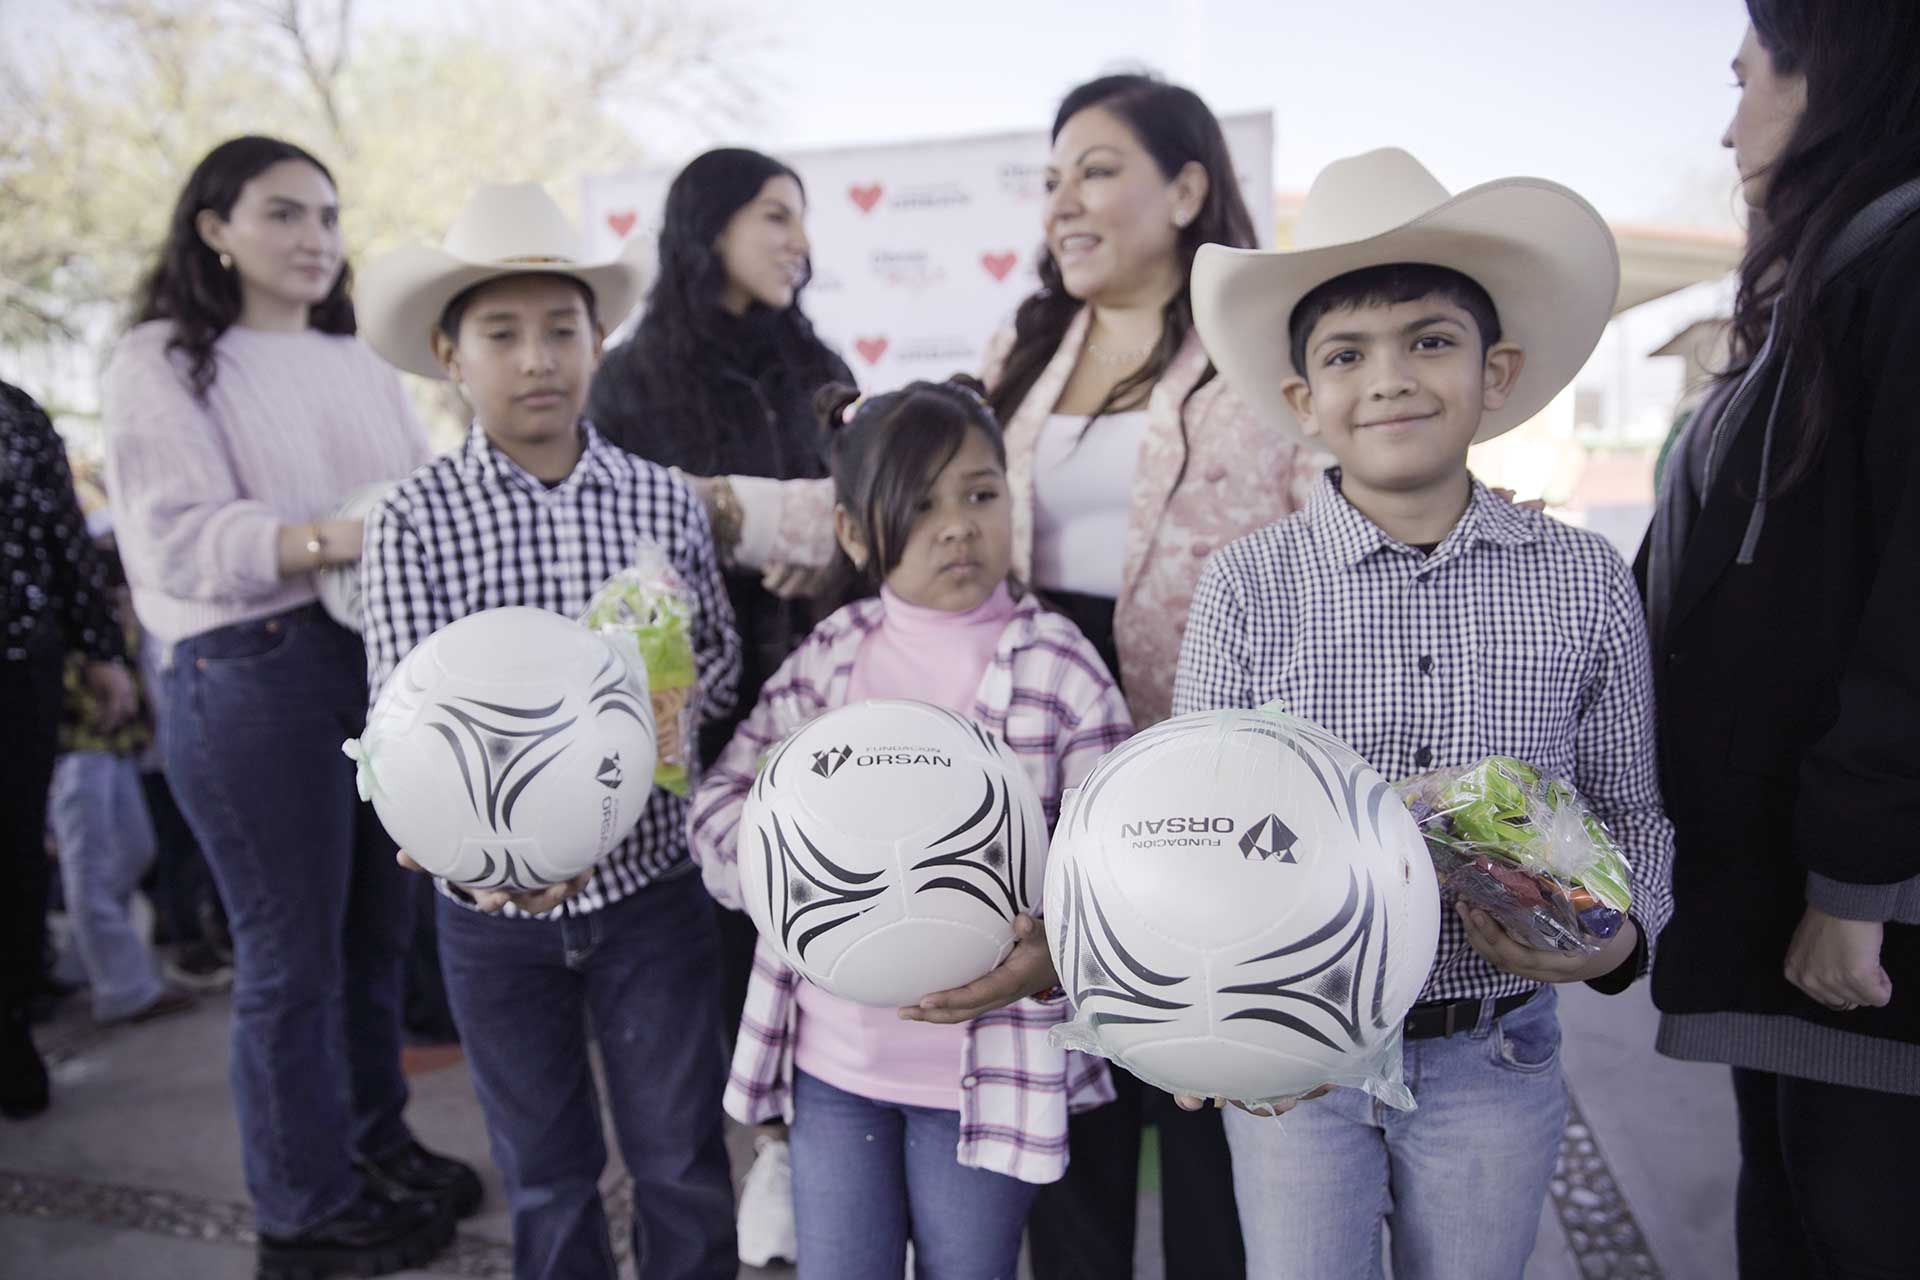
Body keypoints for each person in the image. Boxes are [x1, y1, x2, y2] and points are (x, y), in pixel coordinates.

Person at [708, 73, 1313, 1278]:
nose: (1063, 201)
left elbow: (1332, 531)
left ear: (1188, 188)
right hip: (1023, 766)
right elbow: (905, 493)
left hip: (1198, 795)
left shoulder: (1258, 356)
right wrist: (712, 505)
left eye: (1097, 169)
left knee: (1206, 1144)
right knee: (1068, 1152)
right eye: (1050, 180)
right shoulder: (1027, 352)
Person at [1174, 146, 1675, 1279]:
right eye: (1347, 353)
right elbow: (1195, 827)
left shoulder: (1582, 581)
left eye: (1431, 340)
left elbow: (1632, 810)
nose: (1391, 377)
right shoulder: (1248, 586)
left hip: (1492, 1049)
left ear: (1497, 372)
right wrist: (1199, 1004)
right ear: (1303, 400)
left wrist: (1617, 939)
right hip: (1294, 1046)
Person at [356, 181, 743, 1280]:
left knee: (680, 1157)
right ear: (450, 354)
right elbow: (400, 724)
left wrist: (662, 693)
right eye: (502, 333)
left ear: (598, 340)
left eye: (562, 329)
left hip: (652, 891)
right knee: (545, 1171)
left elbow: (718, 658)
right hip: (490, 921)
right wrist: (476, 856)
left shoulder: (661, 500)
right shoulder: (413, 519)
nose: (537, 359)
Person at [102, 135, 468, 1279]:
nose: (316, 237)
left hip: (373, 658)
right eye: (284, 213)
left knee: (376, 937)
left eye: (328, 215)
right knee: (289, 958)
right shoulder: (161, 357)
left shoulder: (354, 353)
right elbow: (175, 538)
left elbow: (413, 493)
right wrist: (333, 538)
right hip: (247, 669)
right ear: (214, 227)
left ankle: (373, 1146)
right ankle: (304, 1210)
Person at [686, 377, 1131, 1280]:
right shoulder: (833, 657)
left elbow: (1118, 862)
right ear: (853, 533)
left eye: (980, 494)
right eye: (920, 505)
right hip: (834, 1062)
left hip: (988, 1070)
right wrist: (781, 881)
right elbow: (723, 798)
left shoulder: (1060, 668)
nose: (957, 528)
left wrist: (1055, 952)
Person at [1640, 6, 1920, 1276]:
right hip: (1780, 892)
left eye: (1746, 79)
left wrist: (1857, 886)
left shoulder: (1900, 268)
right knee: (1793, 1213)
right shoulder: (1828, 277)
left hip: (1861, 928)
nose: (1728, 126)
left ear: (1834, 79)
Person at [586, 147, 854, 1268]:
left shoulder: (819, 364)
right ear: (709, 227)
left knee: (816, 929)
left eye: (802, 217)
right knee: (710, 954)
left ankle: (803, 1152)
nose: (798, 240)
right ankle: (730, 1163)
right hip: (688, 715)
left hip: (823, 698)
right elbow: (616, 547)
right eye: (774, 215)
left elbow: (868, 510)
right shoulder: (629, 378)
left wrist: (822, 545)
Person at [1, 380, 134, 1120]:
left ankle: (11, 1031)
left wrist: (102, 649)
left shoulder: (14, 413)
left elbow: (63, 535)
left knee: (17, 853)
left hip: (18, 664)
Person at [48, 521, 196, 1026]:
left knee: (132, 851)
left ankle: (82, 961)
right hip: (74, 749)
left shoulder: (97, 612)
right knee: (89, 867)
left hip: (114, 747)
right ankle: (122, 987)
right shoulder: (56, 613)